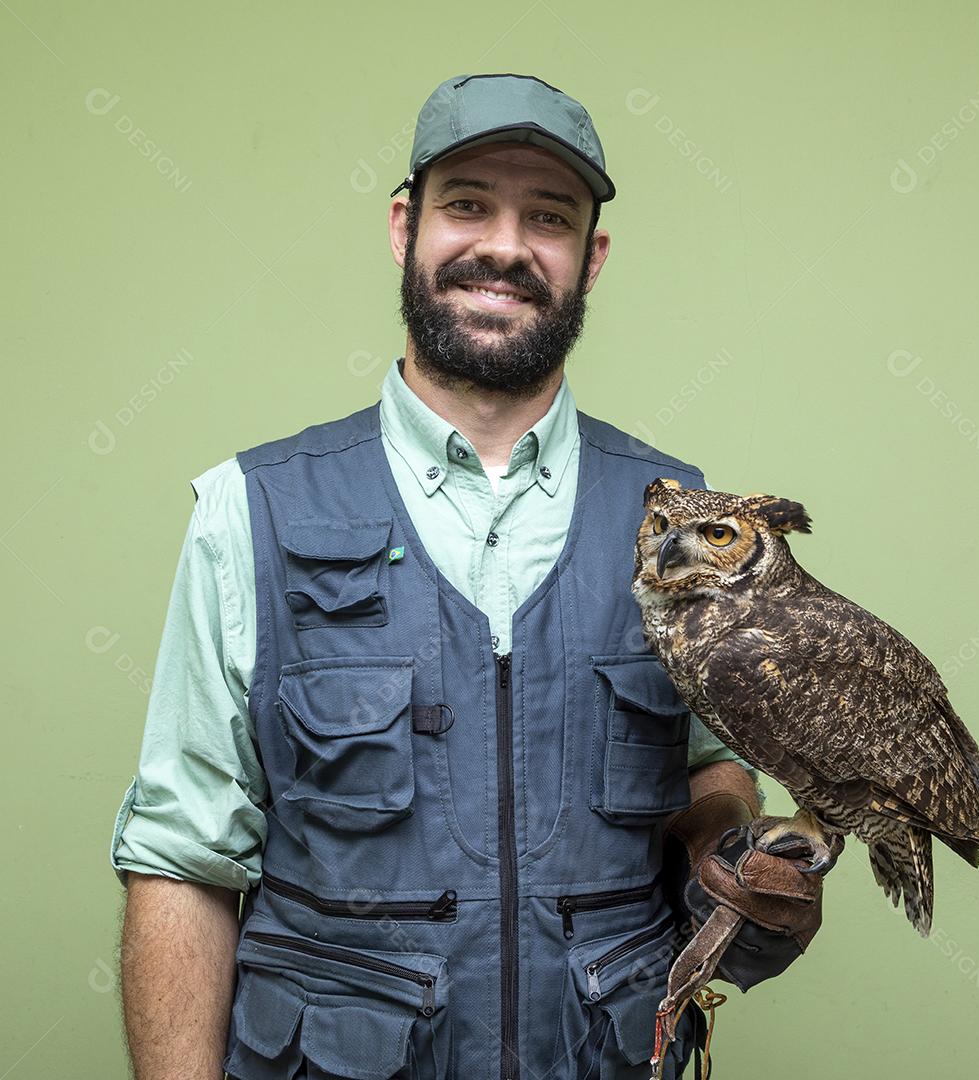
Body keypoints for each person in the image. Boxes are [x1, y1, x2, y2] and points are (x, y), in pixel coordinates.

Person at [112, 72, 836, 1080]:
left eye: (549, 216)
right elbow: (183, 860)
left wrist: (727, 849)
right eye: (468, 204)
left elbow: (711, 765)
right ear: (405, 228)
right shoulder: (252, 509)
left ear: (592, 259)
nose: (505, 244)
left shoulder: (687, 522)